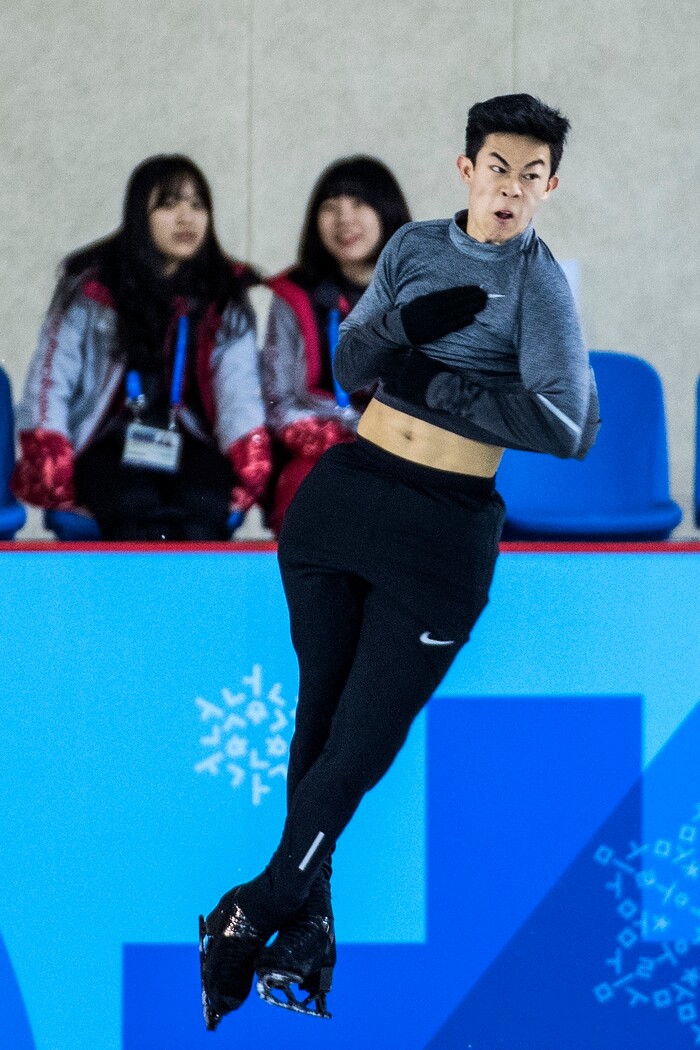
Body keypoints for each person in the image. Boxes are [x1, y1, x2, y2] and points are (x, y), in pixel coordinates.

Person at [198, 93, 600, 1028]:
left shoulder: (541, 288)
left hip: (443, 527)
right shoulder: (415, 246)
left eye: (530, 178)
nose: (510, 191)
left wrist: (441, 383)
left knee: (361, 745)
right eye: (497, 168)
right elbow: (349, 362)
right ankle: (303, 931)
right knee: (323, 723)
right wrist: (405, 338)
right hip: (344, 497)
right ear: (468, 169)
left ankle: (251, 912)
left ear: (550, 188)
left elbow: (572, 424)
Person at [12, 155, 271, 540]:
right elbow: (51, 379)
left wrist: (248, 449)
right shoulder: (90, 289)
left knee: (204, 505)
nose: (186, 218)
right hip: (107, 442)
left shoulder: (222, 292)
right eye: (168, 205)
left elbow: (238, 386)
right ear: (139, 214)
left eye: (197, 206)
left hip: (189, 439)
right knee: (135, 505)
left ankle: (195, 602)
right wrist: (49, 451)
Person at [261, 155, 411, 534]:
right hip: (318, 449)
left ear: (387, 211)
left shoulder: (418, 291)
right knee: (305, 494)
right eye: (331, 207)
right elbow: (276, 395)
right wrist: (322, 435)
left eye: (359, 204)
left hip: (402, 449)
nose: (345, 219)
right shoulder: (294, 295)